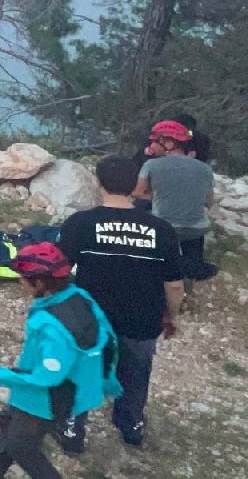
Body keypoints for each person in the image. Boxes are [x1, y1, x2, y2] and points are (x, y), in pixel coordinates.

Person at [57, 156, 184, 450]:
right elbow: (175, 284)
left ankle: (73, 431)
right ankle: (131, 425)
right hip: (142, 319)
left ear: (98, 182)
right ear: (135, 187)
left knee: (83, 371)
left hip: (91, 320)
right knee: (136, 372)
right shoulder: (161, 229)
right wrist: (171, 316)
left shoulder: (81, 223)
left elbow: (59, 272)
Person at [0, 243, 121, 479]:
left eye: (23, 278)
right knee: (8, 429)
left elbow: (46, 377)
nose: (20, 282)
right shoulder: (79, 296)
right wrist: (108, 381)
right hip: (58, 393)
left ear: (40, 283)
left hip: (44, 401)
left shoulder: (51, 327)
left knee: (22, 447)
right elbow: (108, 338)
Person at [133, 120, 218, 281]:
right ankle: (194, 266)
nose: (151, 145)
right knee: (192, 227)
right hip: (196, 230)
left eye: (155, 141)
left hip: (164, 228)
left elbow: (137, 193)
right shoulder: (205, 168)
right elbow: (209, 202)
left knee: (142, 211)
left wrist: (156, 196)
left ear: (169, 143)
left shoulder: (151, 165)